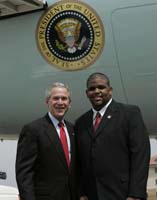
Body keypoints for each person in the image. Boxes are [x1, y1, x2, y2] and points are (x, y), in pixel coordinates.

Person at [75, 72, 150, 200]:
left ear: (110, 90)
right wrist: (82, 192)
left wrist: (136, 194)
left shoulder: (129, 114)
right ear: (86, 93)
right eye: (92, 89)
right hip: (93, 195)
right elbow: (80, 162)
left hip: (123, 194)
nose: (97, 91)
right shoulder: (81, 122)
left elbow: (140, 155)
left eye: (101, 87)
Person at [16, 82, 78, 200]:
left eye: (64, 99)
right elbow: (24, 173)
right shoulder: (33, 130)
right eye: (55, 98)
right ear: (47, 102)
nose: (60, 102)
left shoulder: (73, 130)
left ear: (69, 103)